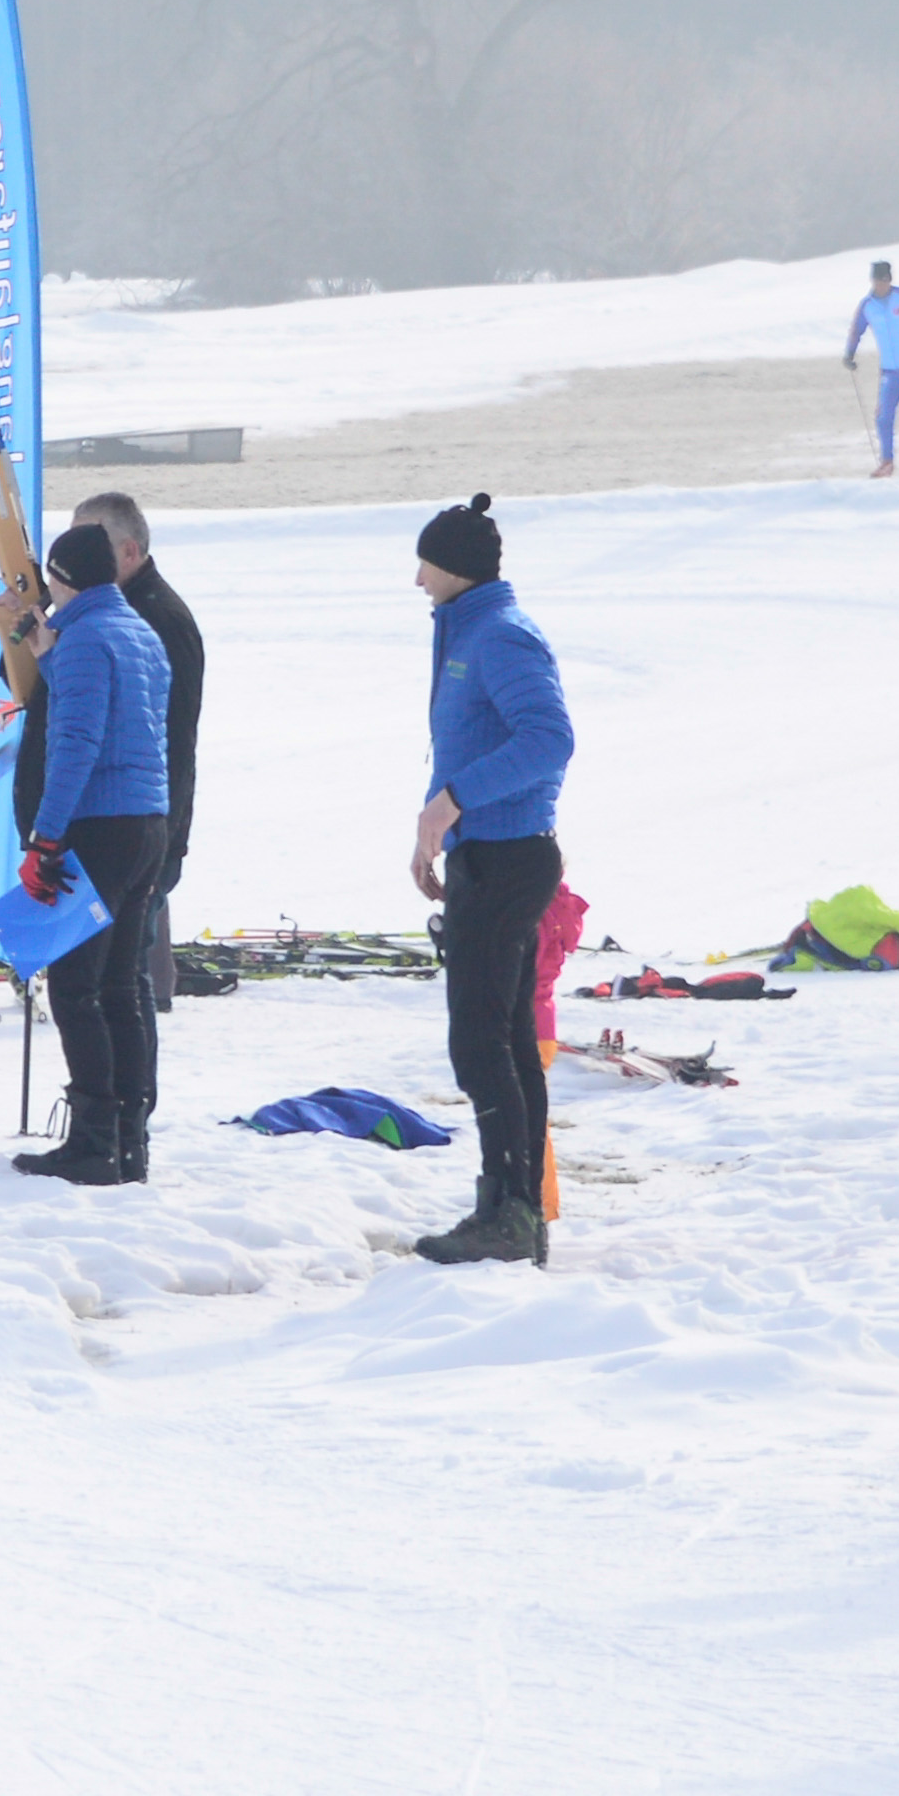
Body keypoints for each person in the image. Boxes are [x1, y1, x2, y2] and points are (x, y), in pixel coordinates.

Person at [407, 495, 575, 1265]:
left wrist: (455, 801)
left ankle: (510, 1214)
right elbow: (467, 747)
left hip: (511, 858)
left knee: (480, 1043)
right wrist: (434, 831)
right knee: (503, 1038)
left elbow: (549, 740)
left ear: (457, 568)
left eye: (426, 563)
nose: (417, 579)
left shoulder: (501, 635)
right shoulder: (466, 630)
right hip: (485, 853)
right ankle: (515, 1209)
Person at [13, 517, 180, 1186]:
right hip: (147, 824)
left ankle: (91, 1142)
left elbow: (77, 745)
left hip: (98, 827)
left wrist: (45, 837)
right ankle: (129, 1140)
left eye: (53, 582)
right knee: (118, 985)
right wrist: (46, 653)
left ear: (65, 579)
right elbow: (115, 713)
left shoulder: (86, 639)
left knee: (76, 987)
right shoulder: (137, 632)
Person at [67, 489, 207, 1079]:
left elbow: (167, 737)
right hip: (128, 821)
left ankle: (126, 1107)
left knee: (118, 982)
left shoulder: (154, 618)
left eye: (91, 544)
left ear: (128, 551)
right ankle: (123, 1106)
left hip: (139, 823)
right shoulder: (112, 611)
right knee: (115, 979)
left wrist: (163, 836)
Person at [845, 262, 899, 476]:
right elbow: (856, 331)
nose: (882, 284)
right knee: (884, 416)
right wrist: (850, 354)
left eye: (886, 280)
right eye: (879, 280)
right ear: (873, 280)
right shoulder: (867, 306)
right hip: (890, 369)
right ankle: (887, 461)